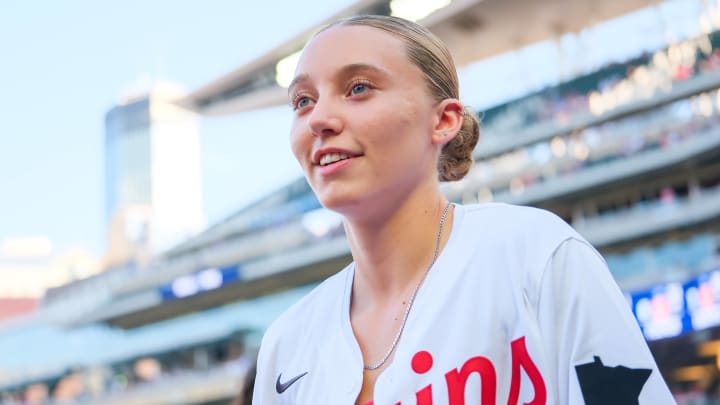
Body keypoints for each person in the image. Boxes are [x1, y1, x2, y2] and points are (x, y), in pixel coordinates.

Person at [252, 14, 676, 404]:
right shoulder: (285, 345)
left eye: (358, 88)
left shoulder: (535, 253)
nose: (318, 118)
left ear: (443, 121)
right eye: (303, 101)